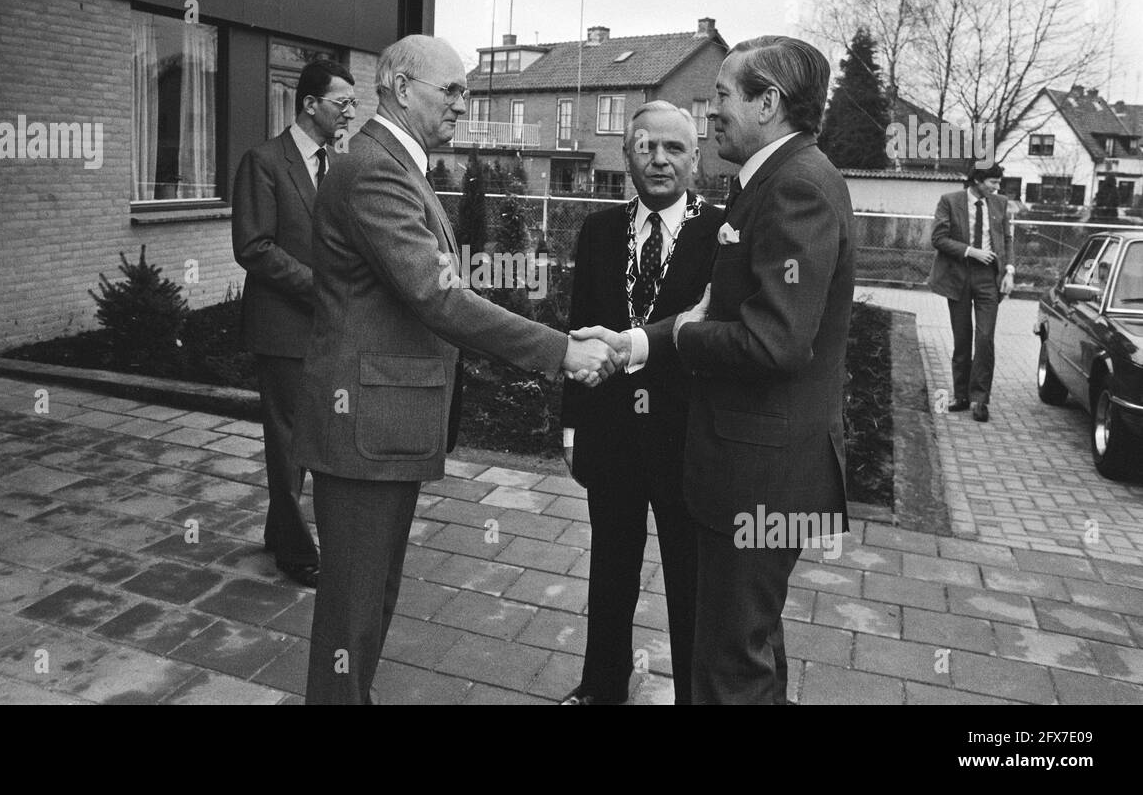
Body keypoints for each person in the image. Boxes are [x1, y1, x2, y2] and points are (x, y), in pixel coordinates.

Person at [293, 34, 619, 705]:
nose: (464, 106)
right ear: (401, 88)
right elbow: (436, 295)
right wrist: (559, 352)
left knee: (372, 597)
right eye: (453, 91)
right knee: (351, 615)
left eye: (465, 91)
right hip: (365, 429)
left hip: (385, 425)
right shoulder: (375, 167)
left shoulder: (390, 162)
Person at [573, 35, 854, 704]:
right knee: (746, 656)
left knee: (729, 671)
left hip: (755, 476)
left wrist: (686, 338)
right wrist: (642, 343)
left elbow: (775, 341)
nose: (713, 114)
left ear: (768, 102)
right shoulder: (777, 182)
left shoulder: (796, 189)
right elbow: (716, 311)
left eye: (723, 96)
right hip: (750, 469)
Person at [559, 101, 720, 705]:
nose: (659, 160)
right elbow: (578, 331)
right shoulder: (599, 232)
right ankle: (602, 687)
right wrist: (571, 425)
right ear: (626, 156)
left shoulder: (721, 234)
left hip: (687, 439)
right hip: (611, 436)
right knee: (610, 572)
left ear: (695, 158)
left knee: (690, 579)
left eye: (674, 148)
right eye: (646, 147)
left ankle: (694, 696)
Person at [231, 58, 357, 589]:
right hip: (282, 329)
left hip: (326, 331)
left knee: (312, 436)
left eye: (354, 103)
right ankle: (295, 552)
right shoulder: (263, 162)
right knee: (286, 443)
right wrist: (321, 288)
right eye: (341, 103)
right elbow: (253, 247)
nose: (350, 112)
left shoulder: (339, 164)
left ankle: (279, 531)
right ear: (309, 104)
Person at [928, 164, 1014, 423]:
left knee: (985, 338)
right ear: (977, 180)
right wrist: (970, 251)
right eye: (992, 182)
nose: (996, 187)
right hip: (959, 277)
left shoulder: (999, 203)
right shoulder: (949, 201)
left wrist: (1009, 270)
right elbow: (938, 238)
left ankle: (980, 400)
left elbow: (1007, 239)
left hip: (989, 278)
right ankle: (961, 396)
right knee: (962, 339)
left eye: (998, 183)